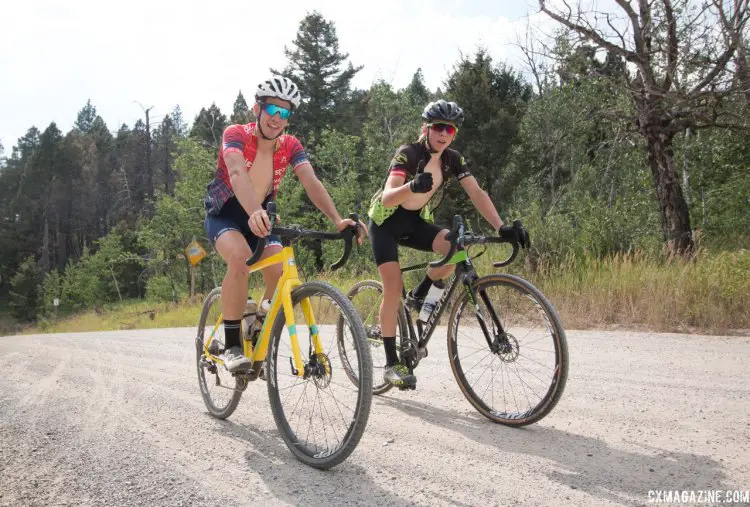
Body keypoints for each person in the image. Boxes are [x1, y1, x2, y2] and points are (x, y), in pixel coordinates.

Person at [204, 75, 364, 372]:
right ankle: (232, 345)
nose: (277, 119)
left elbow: (310, 181)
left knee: (278, 273)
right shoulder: (236, 133)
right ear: (257, 109)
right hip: (226, 213)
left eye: (285, 113)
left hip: (261, 215)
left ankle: (258, 325)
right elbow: (237, 172)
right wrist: (253, 211)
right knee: (239, 260)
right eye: (272, 110)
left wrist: (337, 219)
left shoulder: (290, 145)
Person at [367, 99, 505, 388]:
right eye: (439, 127)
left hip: (414, 222)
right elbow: (388, 197)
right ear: (427, 128)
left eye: (450, 130)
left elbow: (477, 193)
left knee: (456, 249)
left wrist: (502, 227)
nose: (444, 134)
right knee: (392, 288)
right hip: (385, 225)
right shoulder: (408, 153)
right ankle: (392, 364)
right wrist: (411, 186)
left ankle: (418, 295)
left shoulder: (452, 159)